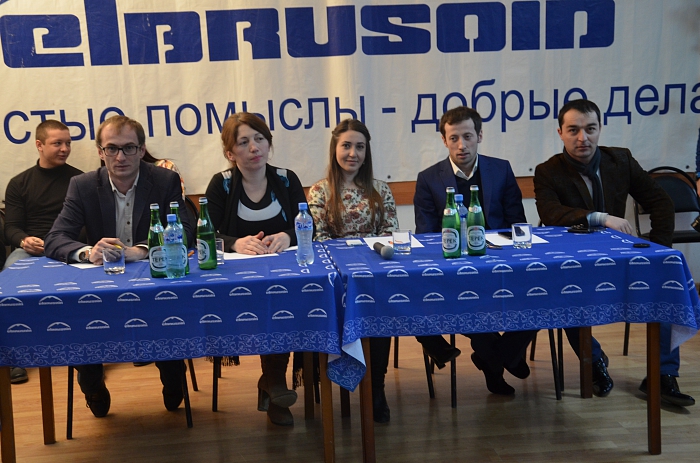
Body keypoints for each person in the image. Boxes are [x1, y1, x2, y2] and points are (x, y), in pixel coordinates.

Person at [534, 98, 694, 406]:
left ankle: (662, 375)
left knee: (665, 283)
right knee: (563, 295)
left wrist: (658, 250)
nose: (583, 138)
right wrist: (601, 218)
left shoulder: (620, 160)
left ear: (600, 129)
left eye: (590, 129)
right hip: (576, 259)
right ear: (560, 132)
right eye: (573, 130)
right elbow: (551, 213)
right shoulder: (547, 171)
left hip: (621, 256)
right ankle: (594, 361)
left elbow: (661, 202)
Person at [44, 115, 194, 417]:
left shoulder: (163, 181)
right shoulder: (83, 185)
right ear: (100, 152)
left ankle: (172, 373)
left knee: (167, 308)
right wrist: (89, 252)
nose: (120, 157)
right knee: (81, 315)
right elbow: (55, 239)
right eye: (112, 148)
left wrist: (142, 250)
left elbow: (187, 231)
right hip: (102, 282)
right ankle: (92, 384)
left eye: (129, 148)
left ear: (142, 150)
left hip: (151, 276)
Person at [413, 106, 537, 396]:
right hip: (454, 267)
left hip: (501, 262)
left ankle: (496, 355)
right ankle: (502, 358)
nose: (461, 145)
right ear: (444, 140)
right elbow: (427, 235)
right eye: (454, 138)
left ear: (479, 136)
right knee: (466, 300)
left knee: (539, 291)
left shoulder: (501, 169)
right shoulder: (429, 178)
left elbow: (516, 222)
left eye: (467, 136)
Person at [205, 112, 304, 426]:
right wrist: (235, 243)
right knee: (266, 303)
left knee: (285, 302)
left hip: (283, 274)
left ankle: (273, 383)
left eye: (260, 139)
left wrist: (287, 236)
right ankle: (274, 383)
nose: (254, 147)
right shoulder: (221, 184)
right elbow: (203, 234)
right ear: (230, 153)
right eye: (243, 142)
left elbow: (307, 225)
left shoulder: (286, 179)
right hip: (236, 280)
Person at [308, 119, 398, 423]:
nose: (353, 153)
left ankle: (376, 389)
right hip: (337, 279)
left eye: (360, 147)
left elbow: (389, 235)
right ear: (334, 149)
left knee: (382, 309)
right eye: (346, 145)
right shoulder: (320, 191)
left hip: (373, 276)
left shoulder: (380, 189)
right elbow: (319, 239)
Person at [3, 120, 83, 384]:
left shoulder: (80, 180)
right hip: (32, 250)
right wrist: (24, 240)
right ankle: (14, 357)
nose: (65, 149)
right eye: (57, 143)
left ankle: (88, 357)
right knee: (7, 283)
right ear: (39, 145)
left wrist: (70, 245)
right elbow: (11, 227)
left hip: (71, 248)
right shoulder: (19, 183)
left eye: (68, 143)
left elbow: (90, 223)